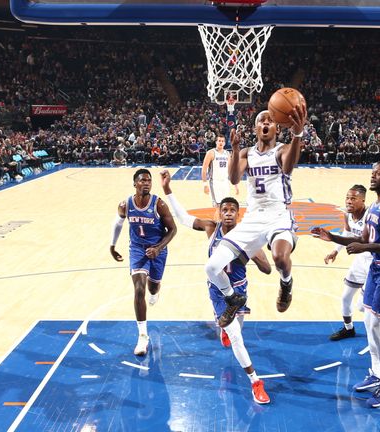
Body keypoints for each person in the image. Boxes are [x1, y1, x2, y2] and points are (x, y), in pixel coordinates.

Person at [160, 169, 272, 404]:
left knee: (236, 330)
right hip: (219, 293)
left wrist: (254, 251)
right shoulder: (211, 228)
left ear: (239, 215)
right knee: (236, 337)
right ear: (219, 213)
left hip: (239, 291)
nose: (228, 213)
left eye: (232, 210)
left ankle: (224, 328)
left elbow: (267, 269)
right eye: (225, 210)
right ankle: (255, 382)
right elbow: (183, 218)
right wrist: (168, 190)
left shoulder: (246, 237)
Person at [311, 160, 380, 408]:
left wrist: (365, 247)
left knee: (378, 325)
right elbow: (362, 238)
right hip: (377, 268)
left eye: (378, 173)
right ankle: (376, 373)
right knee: (368, 322)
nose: (373, 176)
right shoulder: (374, 207)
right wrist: (332, 237)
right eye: (372, 173)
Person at [205, 103, 307, 328]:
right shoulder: (246, 153)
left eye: (270, 120)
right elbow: (234, 179)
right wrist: (234, 148)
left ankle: (286, 283)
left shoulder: (282, 149)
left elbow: (289, 167)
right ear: (255, 128)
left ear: (277, 128)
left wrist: (297, 135)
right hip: (252, 218)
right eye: (262, 120)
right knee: (211, 267)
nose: (266, 123)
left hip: (278, 215)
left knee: (280, 258)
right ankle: (233, 298)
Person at [322, 185, 380, 341]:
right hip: (360, 261)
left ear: (363, 200)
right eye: (347, 198)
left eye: (353, 199)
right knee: (345, 298)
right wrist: (335, 251)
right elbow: (347, 233)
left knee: (361, 306)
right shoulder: (347, 215)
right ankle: (348, 329)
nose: (349, 201)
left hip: (374, 262)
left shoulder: (371, 215)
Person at [110, 169, 177, 356]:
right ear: (135, 183)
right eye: (142, 180)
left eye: (149, 180)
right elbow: (117, 224)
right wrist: (112, 246)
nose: (146, 183)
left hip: (157, 249)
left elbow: (173, 229)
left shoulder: (159, 204)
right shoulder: (125, 205)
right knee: (139, 289)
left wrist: (158, 248)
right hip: (137, 250)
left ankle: (155, 290)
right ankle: (142, 336)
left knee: (152, 288)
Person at [201, 135, 238, 206]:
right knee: (217, 206)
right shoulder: (211, 153)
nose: (221, 142)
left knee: (226, 205)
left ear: (225, 143)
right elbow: (204, 169)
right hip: (215, 183)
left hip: (225, 182)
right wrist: (205, 184)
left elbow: (230, 170)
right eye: (219, 141)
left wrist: (235, 185)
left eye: (222, 141)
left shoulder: (227, 154)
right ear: (216, 142)